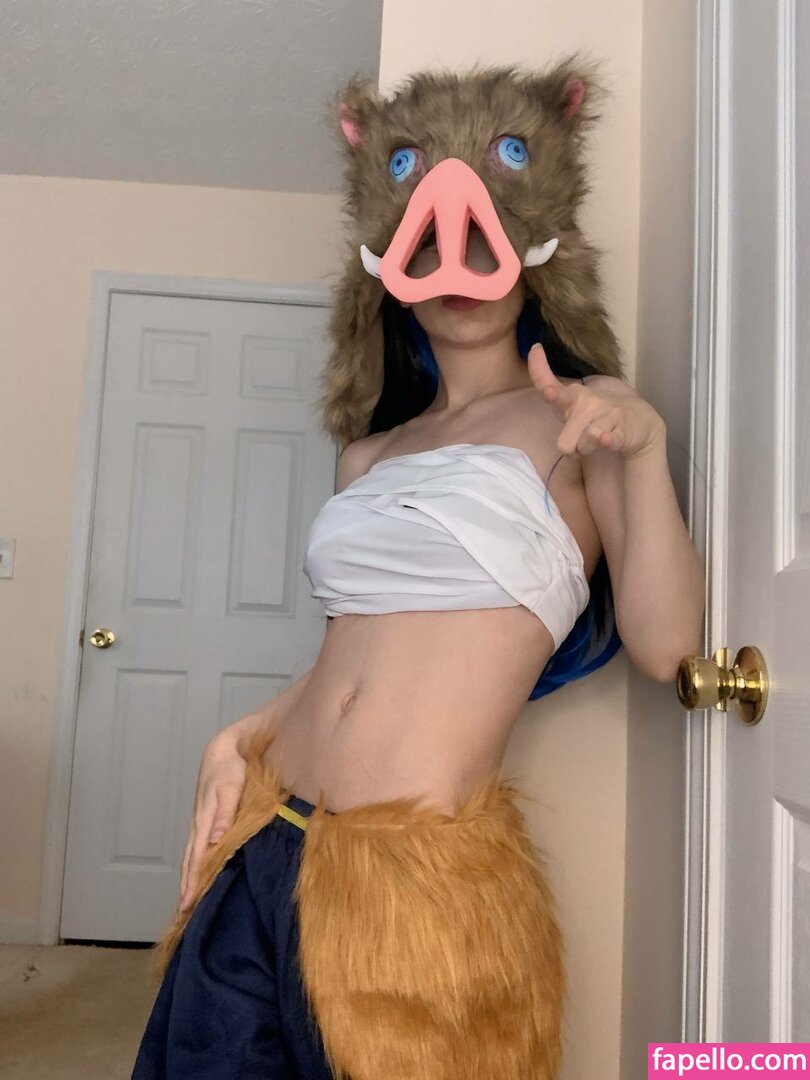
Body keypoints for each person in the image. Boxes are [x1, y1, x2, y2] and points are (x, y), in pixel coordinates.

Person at [132, 63, 705, 1080]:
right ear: (390, 262)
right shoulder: (369, 453)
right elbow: (351, 661)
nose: (456, 266)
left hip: (415, 885)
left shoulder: (584, 426)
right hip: (265, 833)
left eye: (481, 239)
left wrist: (646, 446)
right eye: (427, 245)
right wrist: (236, 738)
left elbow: (669, 648)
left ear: (531, 246)